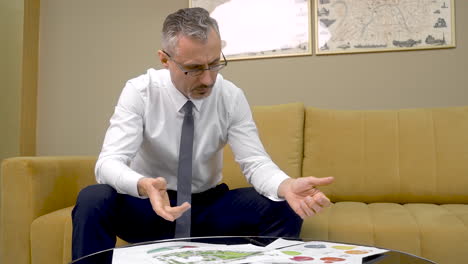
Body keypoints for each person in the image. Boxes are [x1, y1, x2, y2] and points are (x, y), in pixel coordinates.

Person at [72, 7, 334, 263]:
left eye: (215, 64)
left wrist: (286, 185)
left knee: (284, 202)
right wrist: (143, 185)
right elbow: (108, 163)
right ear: (165, 59)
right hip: (152, 208)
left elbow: (255, 163)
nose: (208, 80)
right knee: (93, 198)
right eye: (195, 68)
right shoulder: (140, 92)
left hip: (209, 208)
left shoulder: (230, 96)